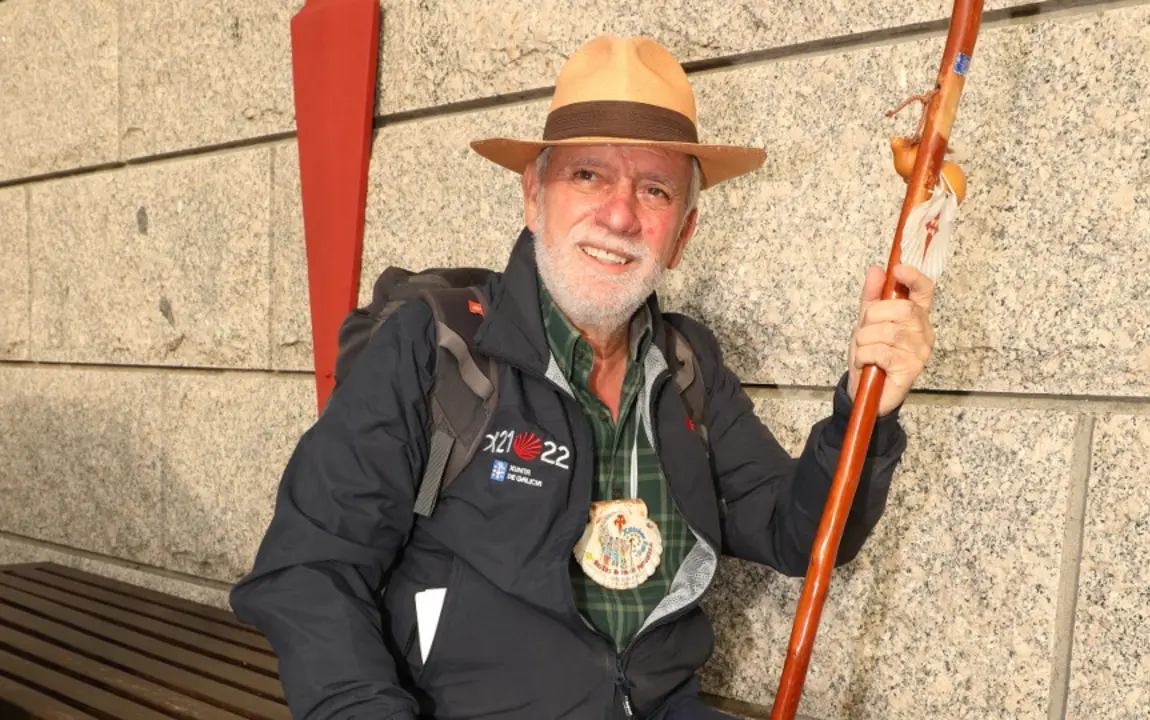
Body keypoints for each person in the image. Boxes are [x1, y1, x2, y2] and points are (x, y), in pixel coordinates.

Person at [231, 33, 937, 720]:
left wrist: (865, 410)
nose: (622, 213)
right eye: (589, 174)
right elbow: (309, 568)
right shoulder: (436, 349)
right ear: (533, 197)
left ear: (682, 234)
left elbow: (801, 535)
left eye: (655, 190)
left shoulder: (688, 366)